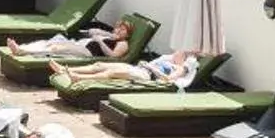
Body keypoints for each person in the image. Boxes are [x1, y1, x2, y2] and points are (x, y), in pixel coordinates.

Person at [64, 50, 199, 90]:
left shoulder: (179, 68)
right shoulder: (167, 59)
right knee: (100, 64)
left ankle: (79, 78)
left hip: (147, 75)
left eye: (178, 53)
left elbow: (168, 79)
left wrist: (151, 67)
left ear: (184, 58)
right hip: (139, 68)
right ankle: (67, 70)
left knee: (112, 73)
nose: (175, 53)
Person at [13, 22, 137, 60]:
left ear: (128, 34)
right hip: (80, 45)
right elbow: (92, 31)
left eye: (123, 30)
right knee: (53, 40)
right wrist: (110, 34)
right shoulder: (111, 36)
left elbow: (113, 56)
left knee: (56, 48)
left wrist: (100, 42)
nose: (119, 31)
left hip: (88, 52)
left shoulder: (122, 43)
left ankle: (22, 51)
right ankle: (23, 47)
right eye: (118, 28)